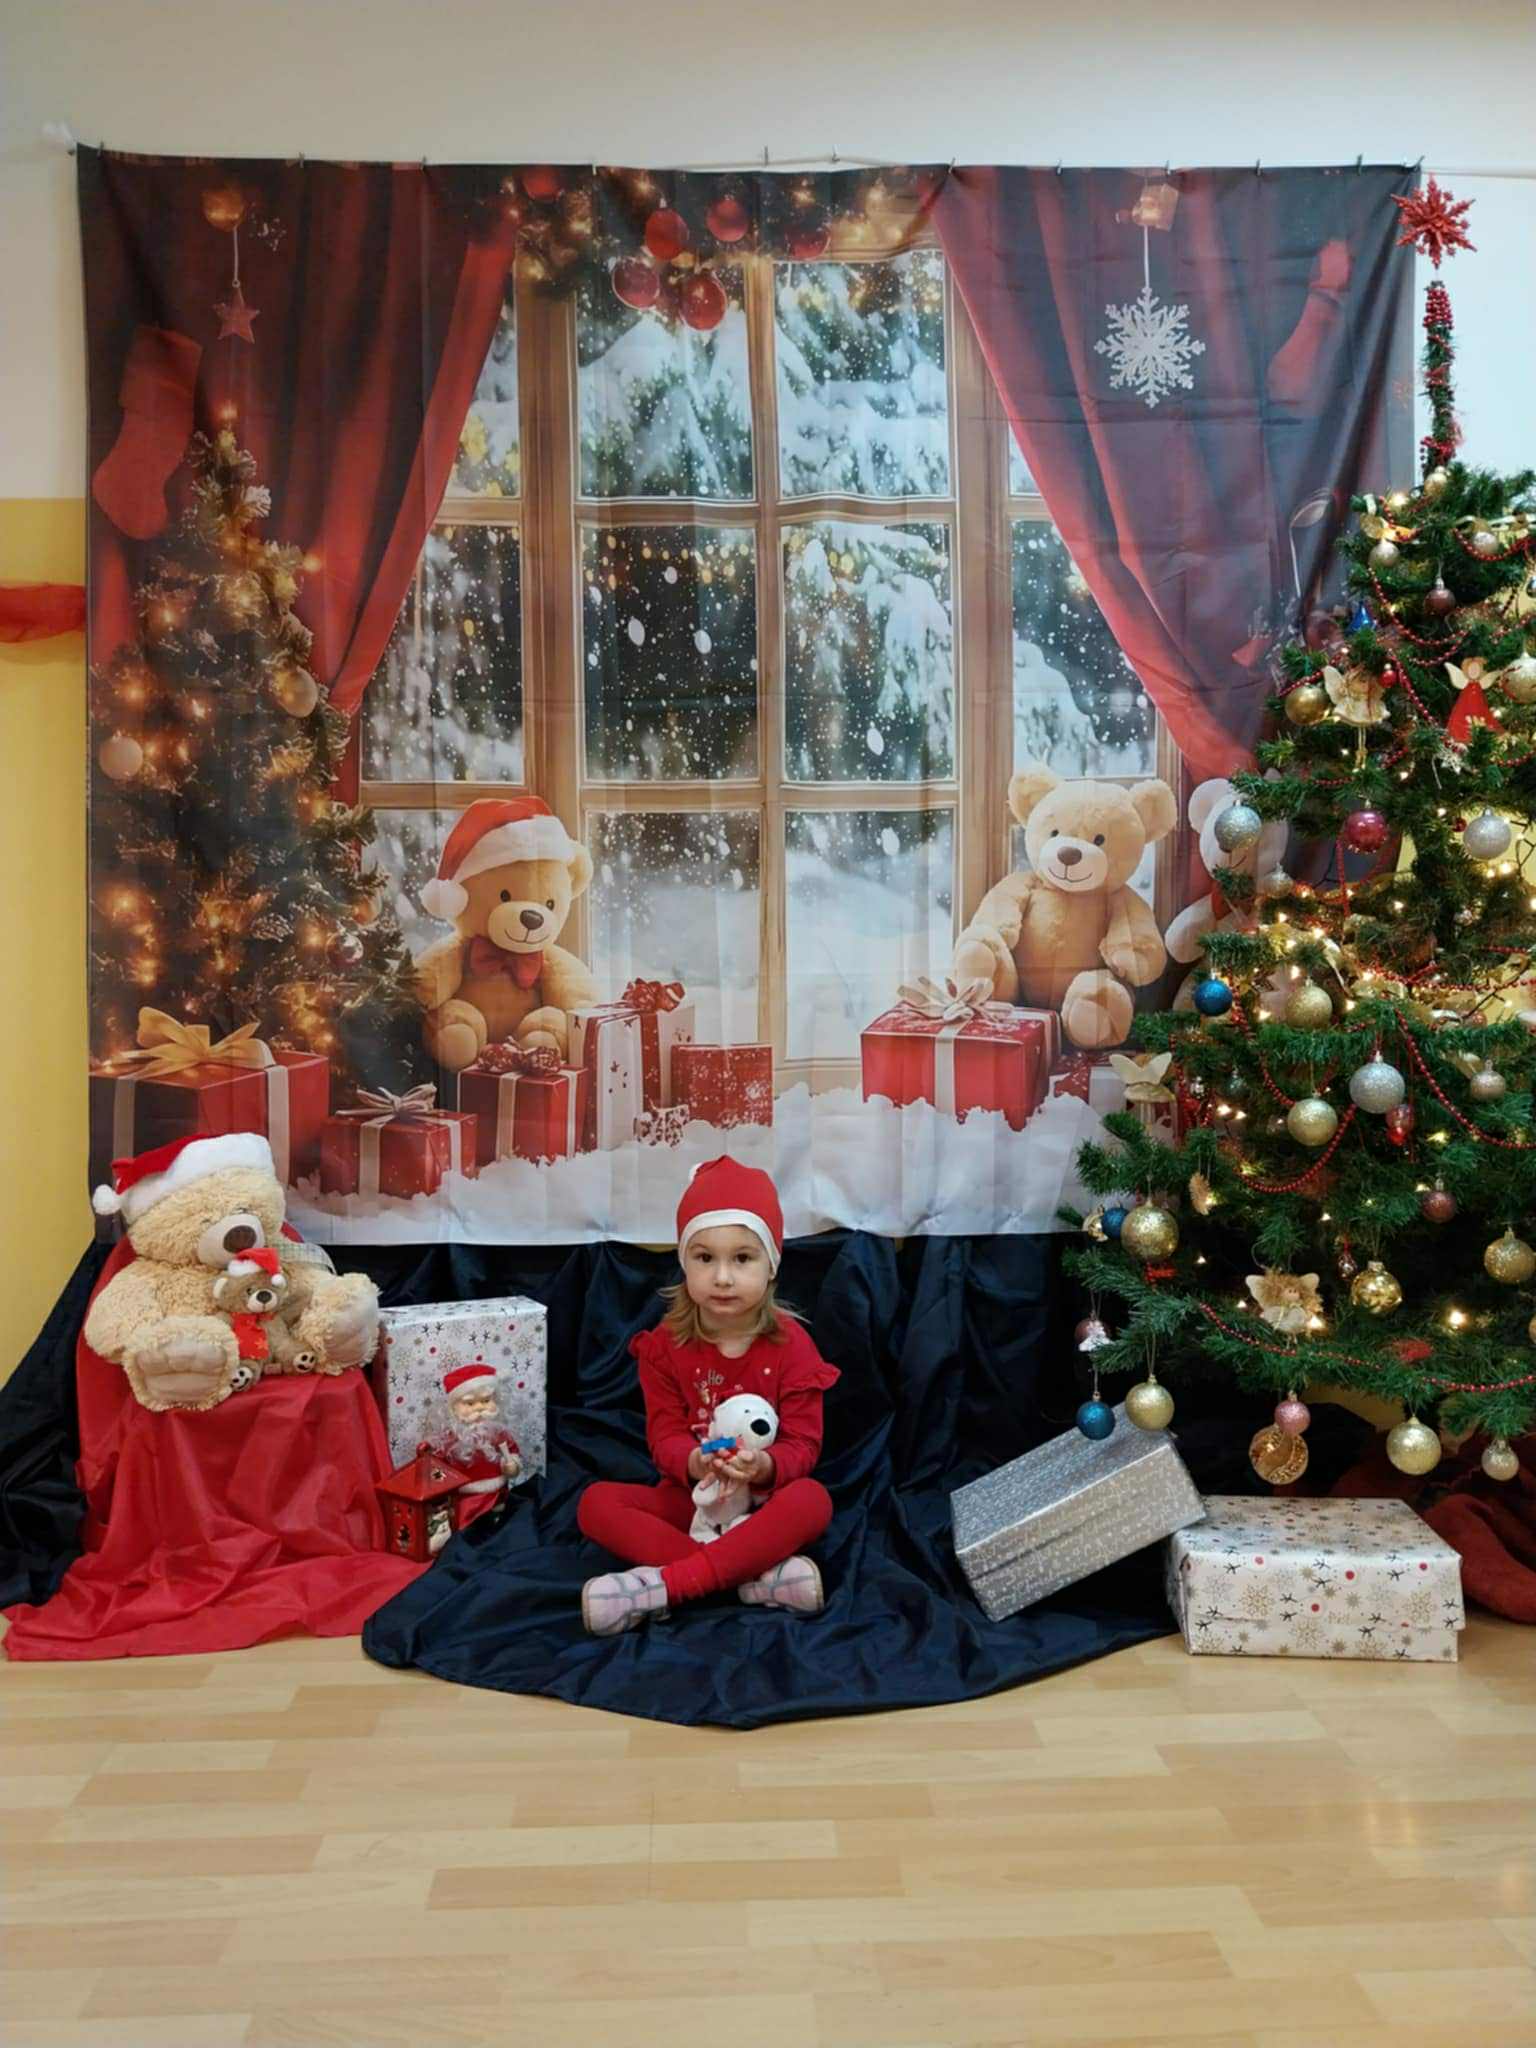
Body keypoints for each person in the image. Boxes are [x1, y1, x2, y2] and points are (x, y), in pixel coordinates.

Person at [578, 1156, 837, 1635]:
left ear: (771, 1264)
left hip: (761, 1507)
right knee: (595, 1504)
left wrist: (764, 1467)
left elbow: (803, 1445)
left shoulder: (793, 1345)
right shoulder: (664, 1346)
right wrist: (696, 1462)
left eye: (742, 1258)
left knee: (813, 1500)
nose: (722, 1277)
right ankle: (750, 1578)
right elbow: (664, 1436)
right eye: (704, 1258)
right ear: (684, 1263)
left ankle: (666, 1587)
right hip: (695, 1500)